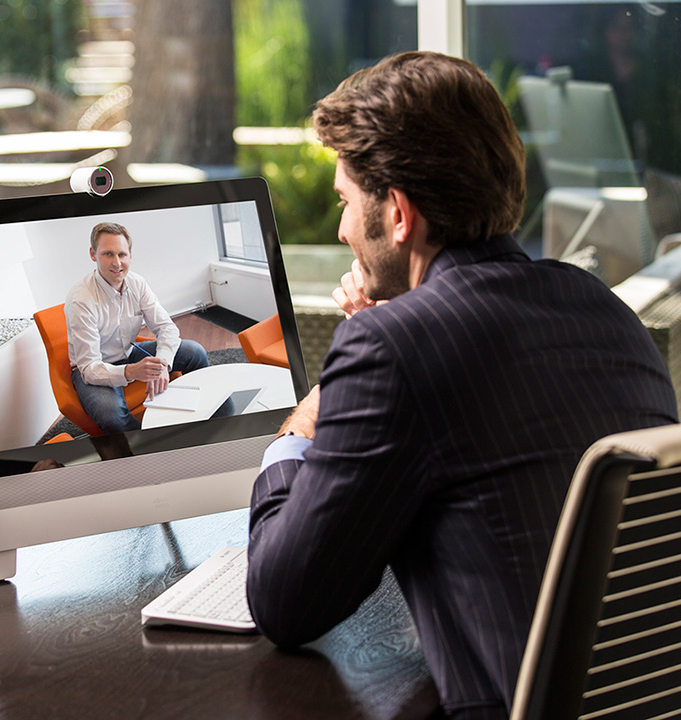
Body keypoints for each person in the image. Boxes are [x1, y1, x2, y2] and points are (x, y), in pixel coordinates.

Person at [245, 51, 678, 720]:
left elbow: (285, 602)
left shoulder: (394, 348)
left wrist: (304, 425)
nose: (338, 230)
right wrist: (391, 341)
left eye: (346, 202)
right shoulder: (603, 310)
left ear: (397, 213)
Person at [65, 222, 209, 434]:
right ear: (93, 254)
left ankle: (201, 412)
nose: (117, 263)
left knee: (195, 352)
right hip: (96, 368)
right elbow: (89, 369)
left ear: (130, 255)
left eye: (122, 254)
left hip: (128, 353)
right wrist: (131, 371)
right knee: (110, 416)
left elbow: (166, 328)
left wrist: (162, 364)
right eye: (108, 254)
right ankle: (151, 442)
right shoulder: (81, 300)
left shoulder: (137, 283)